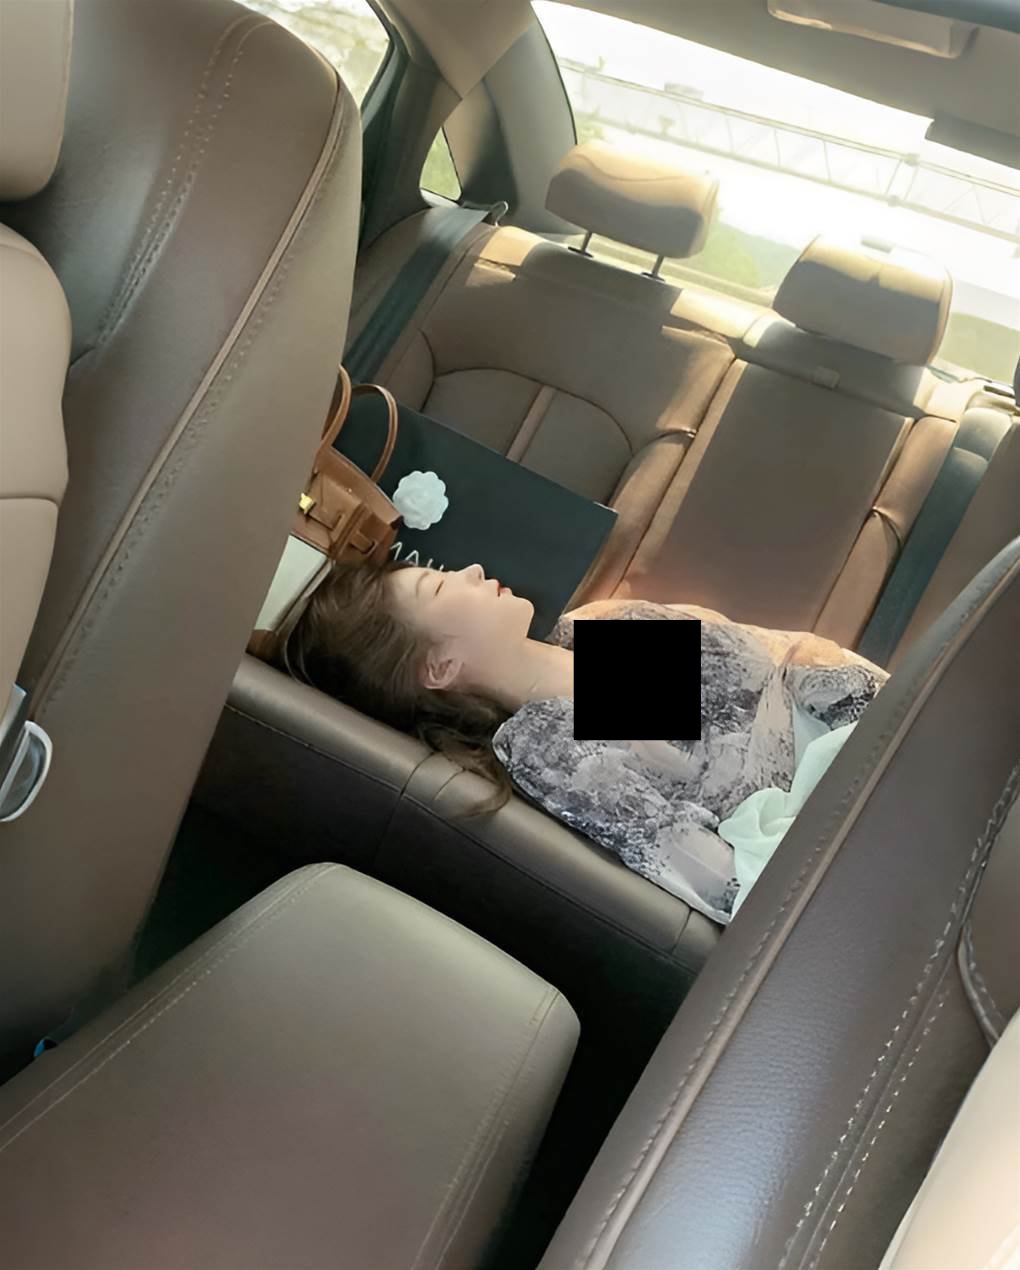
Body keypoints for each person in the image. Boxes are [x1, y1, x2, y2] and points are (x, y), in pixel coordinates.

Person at [281, 558, 887, 921]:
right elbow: (710, 874)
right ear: (438, 667)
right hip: (855, 817)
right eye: (440, 586)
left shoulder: (595, 628)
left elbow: (770, 678)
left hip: (873, 724)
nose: (470, 571)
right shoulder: (545, 745)